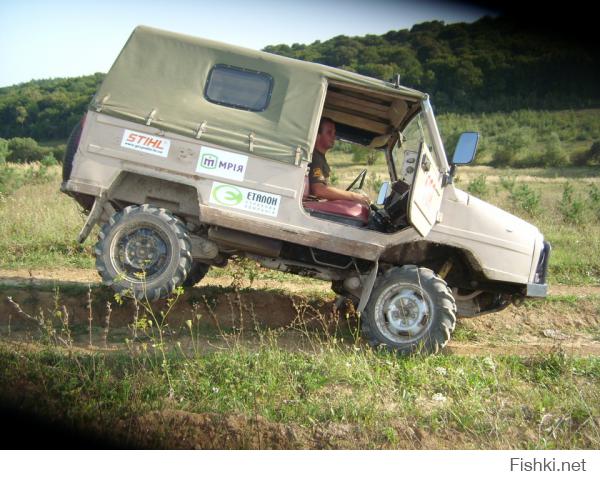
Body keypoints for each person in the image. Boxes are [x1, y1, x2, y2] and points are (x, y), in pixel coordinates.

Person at [309, 117, 371, 205]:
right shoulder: (315, 158)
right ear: (317, 135)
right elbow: (319, 190)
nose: (333, 136)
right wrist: (354, 196)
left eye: (334, 133)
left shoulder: (320, 157)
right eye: (329, 132)